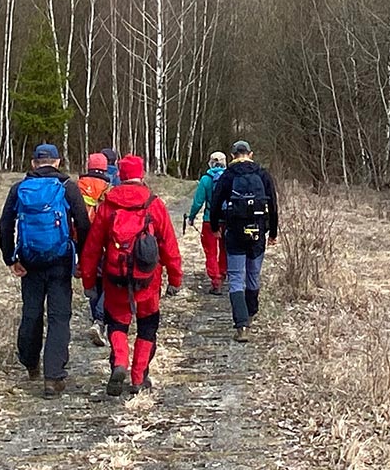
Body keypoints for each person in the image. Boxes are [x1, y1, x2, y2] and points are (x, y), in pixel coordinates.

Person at [79, 154, 184, 396]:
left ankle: (120, 364)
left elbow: (93, 247)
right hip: (148, 280)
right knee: (148, 326)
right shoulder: (153, 204)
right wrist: (175, 279)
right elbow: (169, 245)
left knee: (117, 323)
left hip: (115, 277)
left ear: (120, 175)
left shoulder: (108, 205)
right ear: (142, 174)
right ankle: (138, 378)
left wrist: (88, 281)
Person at [0, 144, 91, 398]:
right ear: (58, 162)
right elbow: (83, 225)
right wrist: (83, 260)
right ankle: (53, 377)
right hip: (60, 260)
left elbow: (5, 225)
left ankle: (30, 363)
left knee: (32, 312)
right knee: (59, 317)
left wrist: (10, 258)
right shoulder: (67, 187)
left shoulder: (19, 189)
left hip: (29, 260)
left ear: (33, 163)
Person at [208, 140, 278, 343]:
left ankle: (241, 326)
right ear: (251, 154)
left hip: (235, 233)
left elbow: (215, 203)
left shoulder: (228, 175)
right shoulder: (263, 175)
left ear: (232, 156)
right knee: (253, 275)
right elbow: (272, 205)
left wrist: (215, 228)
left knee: (236, 278)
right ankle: (251, 313)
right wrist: (272, 232)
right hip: (258, 233)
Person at [75, 152, 114, 347]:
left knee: (91, 280)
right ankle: (99, 321)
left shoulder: (76, 186)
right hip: (104, 241)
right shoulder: (109, 187)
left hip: (81, 240)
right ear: (105, 167)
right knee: (107, 281)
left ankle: (95, 320)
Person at [184, 152, 229, 294]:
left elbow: (198, 202)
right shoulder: (230, 177)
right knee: (225, 250)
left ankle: (215, 282)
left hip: (209, 220)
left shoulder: (205, 179)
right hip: (227, 220)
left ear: (210, 162)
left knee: (210, 252)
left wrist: (191, 217)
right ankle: (222, 275)